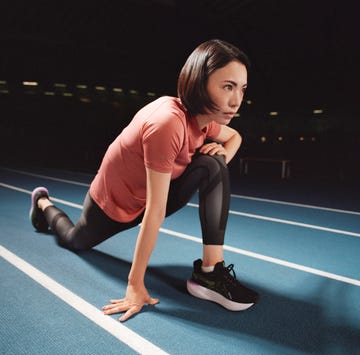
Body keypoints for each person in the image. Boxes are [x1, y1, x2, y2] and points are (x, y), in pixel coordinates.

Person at [29, 39, 259, 322]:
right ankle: (42, 203)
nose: (236, 100)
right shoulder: (167, 123)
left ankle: (210, 273)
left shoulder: (205, 119)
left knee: (213, 162)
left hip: (149, 198)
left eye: (242, 89)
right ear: (200, 82)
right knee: (75, 240)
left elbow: (235, 137)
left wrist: (223, 150)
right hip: (112, 205)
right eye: (227, 87)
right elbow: (155, 212)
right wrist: (134, 284)